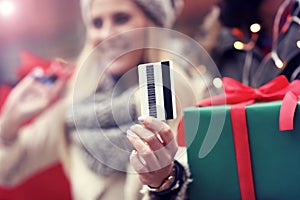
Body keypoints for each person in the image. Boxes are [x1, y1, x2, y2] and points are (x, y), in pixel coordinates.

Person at [0, 0, 210, 199]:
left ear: (152, 24)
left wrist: (165, 182)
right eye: (96, 23)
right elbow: (7, 172)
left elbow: (206, 184)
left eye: (121, 18)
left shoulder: (184, 91)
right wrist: (9, 122)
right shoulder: (76, 105)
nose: (107, 34)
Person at [127, 0, 300, 199]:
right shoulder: (212, 51)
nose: (107, 34)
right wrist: (168, 180)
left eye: (122, 18)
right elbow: (203, 172)